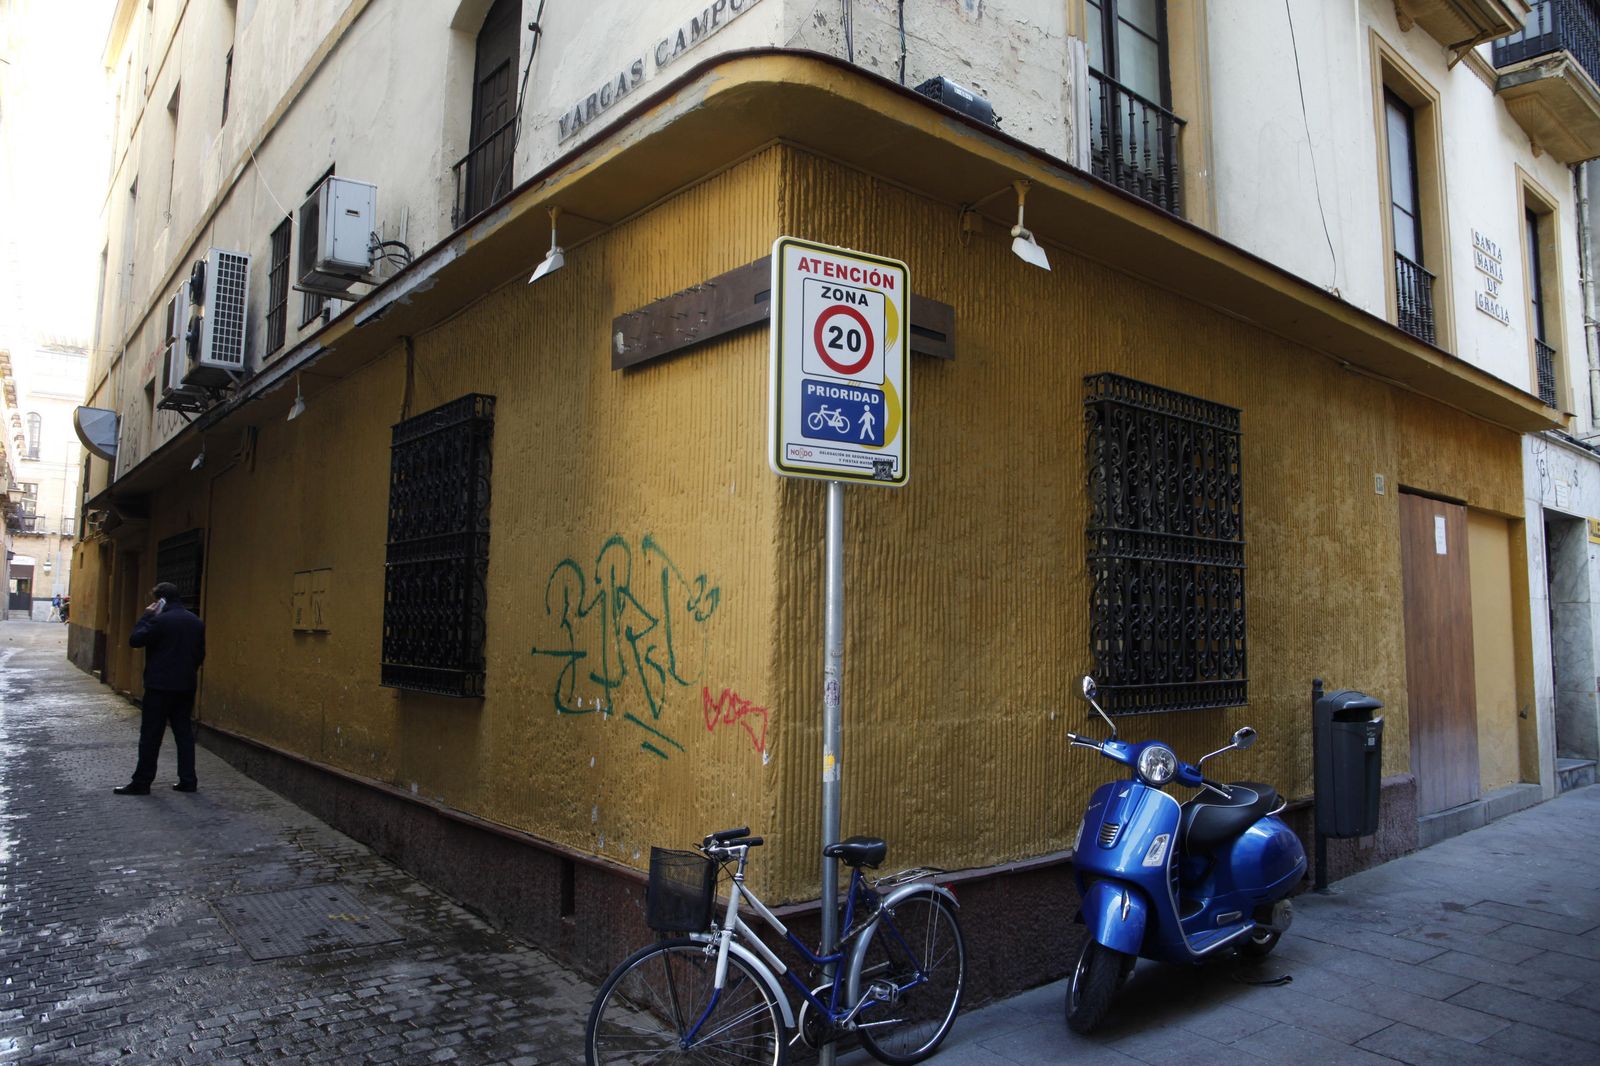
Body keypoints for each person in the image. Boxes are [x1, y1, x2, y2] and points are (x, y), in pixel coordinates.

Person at [114, 582, 206, 795]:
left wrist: (147, 616)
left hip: (159, 686)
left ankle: (142, 782)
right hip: (185, 685)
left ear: (161, 600)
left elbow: (135, 640)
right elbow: (200, 654)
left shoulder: (159, 620)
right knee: (183, 733)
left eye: (155, 600)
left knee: (151, 735)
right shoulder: (196, 622)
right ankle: (188, 780)